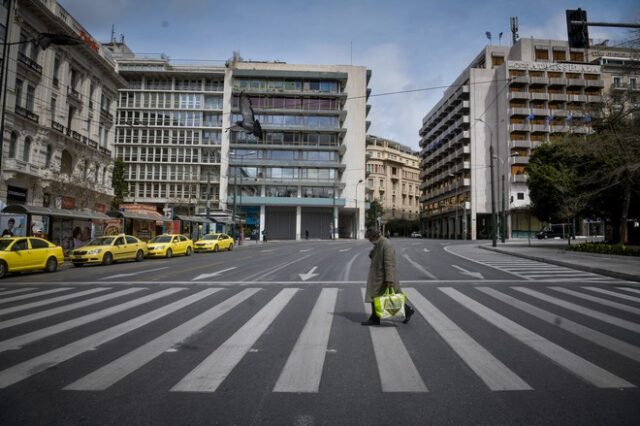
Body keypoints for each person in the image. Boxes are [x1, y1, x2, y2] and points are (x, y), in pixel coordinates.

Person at [361, 227, 415, 326]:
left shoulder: (386, 244)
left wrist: (389, 280)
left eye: (370, 238)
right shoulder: (378, 243)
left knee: (389, 298)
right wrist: (372, 254)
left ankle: (375, 318)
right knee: (379, 298)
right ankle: (406, 311)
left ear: (375, 236)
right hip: (378, 276)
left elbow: (389, 263)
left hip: (384, 277)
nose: (369, 241)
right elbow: (377, 257)